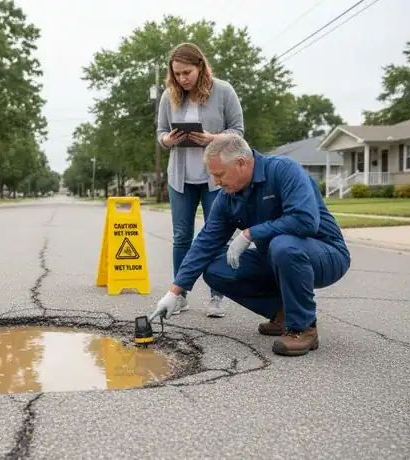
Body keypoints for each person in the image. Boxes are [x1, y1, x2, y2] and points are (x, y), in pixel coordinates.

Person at [150, 133, 351, 357]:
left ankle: (303, 328)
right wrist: (174, 292)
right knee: (216, 269)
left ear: (241, 163)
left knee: (283, 245)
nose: (215, 182)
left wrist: (250, 234)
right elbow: (205, 243)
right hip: (276, 258)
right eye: (213, 176)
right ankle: (283, 313)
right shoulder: (228, 195)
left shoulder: (284, 171)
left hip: (324, 254)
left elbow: (305, 221)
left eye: (219, 174)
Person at [156, 42, 245, 319]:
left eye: (187, 73)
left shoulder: (224, 91)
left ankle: (217, 296)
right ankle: (179, 295)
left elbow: (238, 131)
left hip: (214, 178)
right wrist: (167, 140)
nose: (182, 79)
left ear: (200, 67)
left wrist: (212, 139)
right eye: (177, 74)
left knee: (216, 234)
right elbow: (160, 133)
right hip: (180, 178)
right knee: (182, 237)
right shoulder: (168, 97)